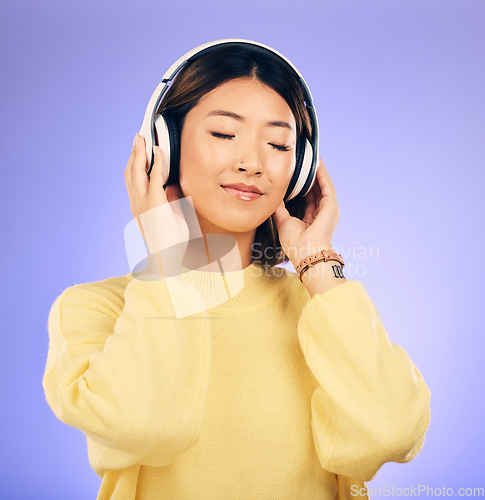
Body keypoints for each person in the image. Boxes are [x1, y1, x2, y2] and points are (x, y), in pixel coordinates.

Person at [42, 41, 431, 500]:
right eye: (225, 135)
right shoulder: (95, 309)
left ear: (301, 167)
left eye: (278, 144)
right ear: (163, 148)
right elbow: (143, 426)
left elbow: (391, 434)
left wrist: (318, 264)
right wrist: (167, 263)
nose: (251, 163)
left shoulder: (323, 305)